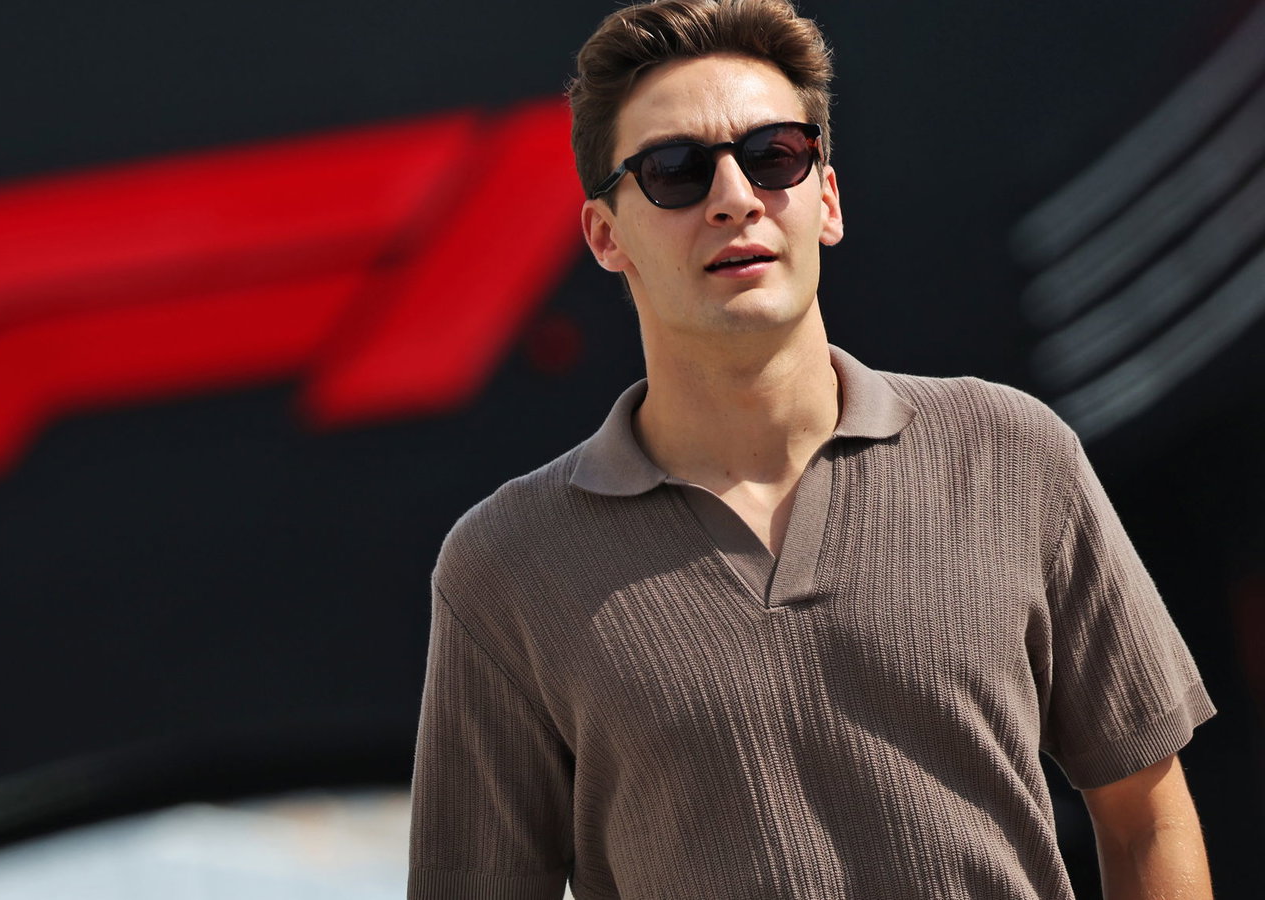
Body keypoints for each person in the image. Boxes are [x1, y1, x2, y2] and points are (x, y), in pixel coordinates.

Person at [406, 0, 1216, 897]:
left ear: (825, 199)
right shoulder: (507, 565)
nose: (735, 198)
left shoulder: (1013, 456)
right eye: (675, 171)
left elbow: (1149, 818)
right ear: (606, 235)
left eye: (775, 155)